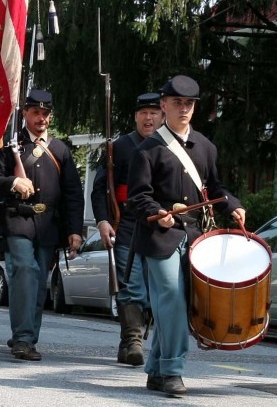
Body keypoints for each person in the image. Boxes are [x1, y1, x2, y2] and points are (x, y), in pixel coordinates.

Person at [127, 75, 245, 396]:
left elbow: (215, 187)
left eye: (189, 104)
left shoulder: (205, 146)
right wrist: (157, 214)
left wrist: (232, 206)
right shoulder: (148, 149)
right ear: (164, 105)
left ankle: (155, 369)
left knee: (180, 303)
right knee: (171, 302)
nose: (183, 109)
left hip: (195, 236)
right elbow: (137, 197)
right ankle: (173, 371)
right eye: (177, 103)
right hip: (159, 237)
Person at [0, 89, 85, 361]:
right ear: (25, 113)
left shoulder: (59, 149)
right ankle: (22, 337)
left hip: (47, 226)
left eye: (45, 113)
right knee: (25, 271)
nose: (41, 118)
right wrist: (12, 183)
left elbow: (73, 194)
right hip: (17, 219)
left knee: (39, 282)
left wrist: (74, 230)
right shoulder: (9, 145)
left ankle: (28, 337)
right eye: (35, 112)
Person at [91, 92, 163, 366]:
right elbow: (100, 188)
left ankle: (134, 340)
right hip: (127, 225)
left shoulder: (170, 147)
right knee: (131, 286)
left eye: (154, 112)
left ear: (162, 115)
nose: (149, 118)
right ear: (136, 116)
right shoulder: (119, 147)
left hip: (160, 227)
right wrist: (103, 220)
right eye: (143, 112)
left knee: (154, 287)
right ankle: (133, 340)